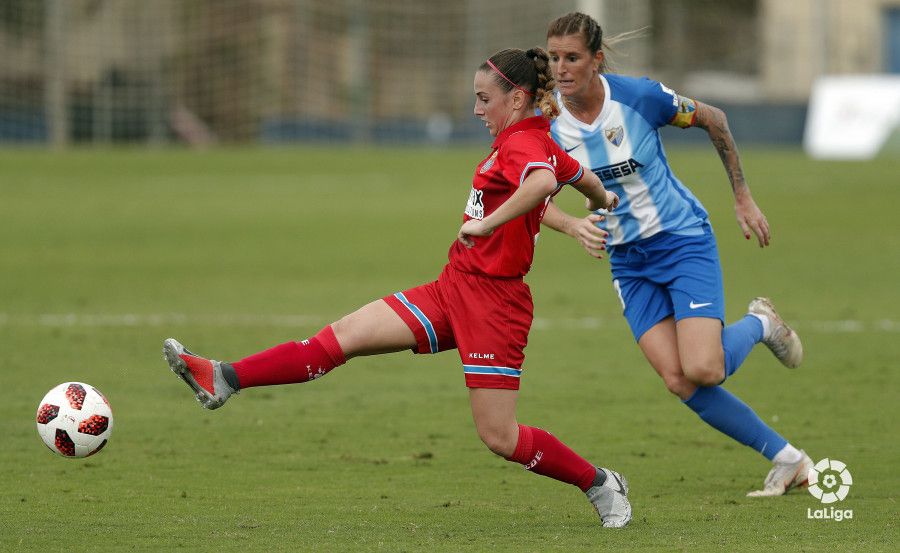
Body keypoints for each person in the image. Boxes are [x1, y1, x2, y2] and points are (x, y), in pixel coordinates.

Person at [163, 47, 632, 527]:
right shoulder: (531, 136)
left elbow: (539, 183)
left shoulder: (522, 145)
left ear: (516, 99)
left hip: (495, 306)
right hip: (454, 288)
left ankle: (599, 482)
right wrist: (595, 205)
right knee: (338, 339)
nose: (476, 110)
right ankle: (223, 377)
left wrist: (488, 223)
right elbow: (579, 176)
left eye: (483, 98)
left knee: (500, 437)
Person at [539, 12, 812, 497]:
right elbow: (524, 194)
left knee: (704, 368)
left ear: (596, 60)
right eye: (554, 57)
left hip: (682, 239)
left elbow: (716, 120)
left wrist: (742, 196)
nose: (561, 68)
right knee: (678, 379)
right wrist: (573, 225)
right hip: (628, 261)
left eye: (572, 57)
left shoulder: (640, 98)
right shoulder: (545, 121)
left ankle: (762, 324)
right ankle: (788, 459)